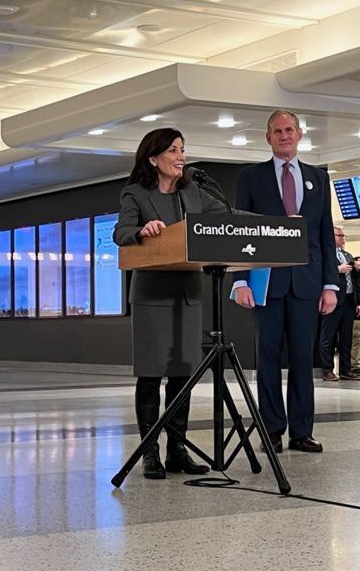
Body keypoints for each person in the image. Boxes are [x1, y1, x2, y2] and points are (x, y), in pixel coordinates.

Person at [113, 127, 227, 480]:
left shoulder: (192, 193)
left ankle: (178, 448)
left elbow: (226, 213)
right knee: (150, 375)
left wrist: (274, 225)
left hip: (187, 295)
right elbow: (121, 232)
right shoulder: (136, 194)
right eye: (174, 150)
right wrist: (141, 232)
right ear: (153, 158)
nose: (181, 156)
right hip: (152, 297)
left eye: (183, 149)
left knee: (182, 375)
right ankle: (150, 452)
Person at [233, 109, 339, 454]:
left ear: (299, 133)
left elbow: (324, 235)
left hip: (307, 283)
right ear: (268, 138)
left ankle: (302, 431)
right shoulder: (252, 178)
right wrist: (240, 281)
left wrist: (330, 284)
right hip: (267, 281)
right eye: (277, 131)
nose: (283, 135)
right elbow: (240, 233)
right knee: (267, 358)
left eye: (289, 129)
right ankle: (272, 429)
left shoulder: (318, 178)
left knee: (302, 361)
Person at [318, 226, 360, 381]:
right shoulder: (325, 253)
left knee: (346, 338)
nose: (343, 238)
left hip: (349, 301)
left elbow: (355, 281)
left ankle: (346, 369)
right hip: (333, 299)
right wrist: (337, 269)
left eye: (344, 236)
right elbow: (319, 271)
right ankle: (327, 369)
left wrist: (357, 302)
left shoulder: (347, 254)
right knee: (328, 336)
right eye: (340, 235)